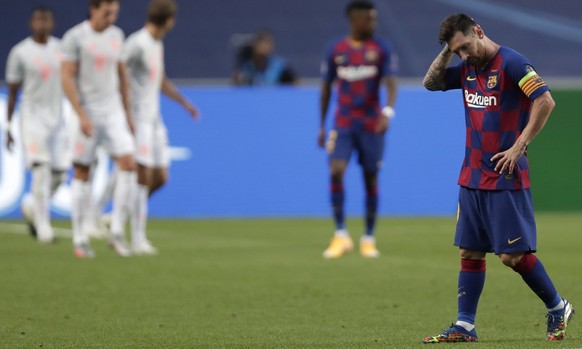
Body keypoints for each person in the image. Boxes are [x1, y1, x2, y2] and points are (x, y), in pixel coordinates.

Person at [422, 14, 574, 343]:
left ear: (479, 31)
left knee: (512, 256)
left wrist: (520, 146)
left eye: (465, 46)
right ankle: (465, 326)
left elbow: (545, 100)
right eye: (457, 51)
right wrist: (449, 51)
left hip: (505, 174)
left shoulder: (513, 63)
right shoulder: (466, 67)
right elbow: (431, 83)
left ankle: (557, 305)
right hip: (472, 174)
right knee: (470, 252)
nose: (464, 55)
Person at [318, 0, 398, 259]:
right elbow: (326, 87)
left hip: (371, 123)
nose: (373, 24)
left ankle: (368, 238)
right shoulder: (336, 49)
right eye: (369, 19)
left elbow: (391, 84)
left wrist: (387, 112)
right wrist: (321, 125)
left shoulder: (380, 48)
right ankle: (340, 234)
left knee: (370, 177)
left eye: (374, 19)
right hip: (342, 122)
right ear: (355, 20)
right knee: (336, 170)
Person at [61, 0, 136, 258]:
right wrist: (80, 113)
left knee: (128, 163)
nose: (111, 17)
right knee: (83, 171)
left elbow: (122, 76)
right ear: (94, 9)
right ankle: (80, 238)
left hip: (113, 111)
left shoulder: (117, 36)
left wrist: (128, 113)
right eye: (107, 12)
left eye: (115, 12)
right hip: (87, 112)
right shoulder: (75, 37)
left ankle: (115, 231)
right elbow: (66, 77)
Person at [123, 0, 198, 255]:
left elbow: (160, 80)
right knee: (142, 177)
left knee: (160, 177)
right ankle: (137, 238)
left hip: (154, 118)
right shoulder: (136, 43)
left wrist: (183, 102)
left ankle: (119, 216)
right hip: (138, 117)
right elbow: (118, 71)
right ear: (169, 21)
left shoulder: (156, 44)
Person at [5, 6, 69, 243]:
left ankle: (32, 205)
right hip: (32, 117)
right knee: (41, 171)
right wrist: (8, 127)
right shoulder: (20, 52)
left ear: (52, 24)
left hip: (56, 118)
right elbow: (13, 93)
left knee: (60, 174)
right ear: (32, 23)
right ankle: (44, 229)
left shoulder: (61, 49)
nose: (42, 25)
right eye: (38, 21)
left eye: (46, 21)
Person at [232, 30, 298, 86]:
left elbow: (297, 84)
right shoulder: (245, 67)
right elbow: (235, 88)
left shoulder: (280, 66)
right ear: (255, 45)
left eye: (268, 44)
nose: (266, 47)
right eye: (262, 43)